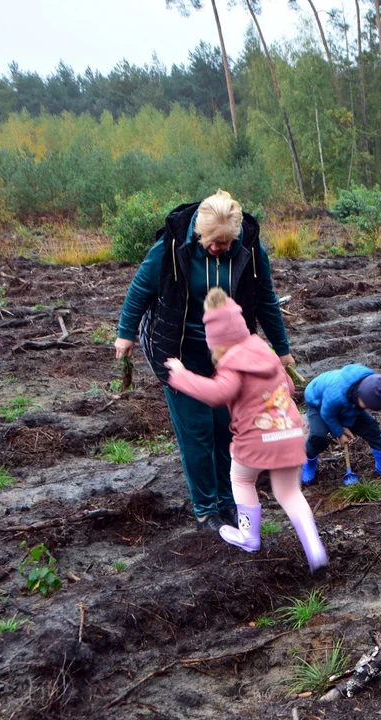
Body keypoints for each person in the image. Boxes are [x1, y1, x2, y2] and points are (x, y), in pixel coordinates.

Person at [115, 190, 295, 531]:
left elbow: (266, 299)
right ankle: (206, 510)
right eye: (212, 242)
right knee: (196, 435)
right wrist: (126, 334)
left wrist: (282, 350)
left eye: (226, 243)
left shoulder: (251, 251)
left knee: (227, 431)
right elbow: (140, 289)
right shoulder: (171, 248)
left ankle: (229, 502)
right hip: (180, 354)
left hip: (229, 357)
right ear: (199, 232)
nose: (217, 248)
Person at [165, 289, 327, 571]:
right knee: (289, 492)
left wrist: (181, 376)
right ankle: (315, 549)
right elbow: (288, 388)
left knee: (241, 480)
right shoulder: (264, 352)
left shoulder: (232, 364)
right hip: (291, 432)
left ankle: (249, 536)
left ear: (215, 341)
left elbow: (216, 394)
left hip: (257, 438)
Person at [299, 365, 381, 486]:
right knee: (318, 436)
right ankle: (308, 462)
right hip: (318, 403)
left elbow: (355, 409)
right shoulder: (336, 394)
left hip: (346, 403)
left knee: (371, 426)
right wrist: (339, 432)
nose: (368, 409)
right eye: (367, 406)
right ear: (360, 394)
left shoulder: (370, 385)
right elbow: (327, 414)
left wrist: (346, 424)